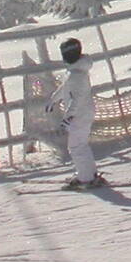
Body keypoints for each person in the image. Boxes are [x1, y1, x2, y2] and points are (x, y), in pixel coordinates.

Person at [45, 37, 104, 189]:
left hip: (79, 115)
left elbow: (76, 100)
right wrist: (54, 100)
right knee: (80, 145)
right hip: (82, 114)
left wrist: (68, 117)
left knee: (76, 146)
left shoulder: (76, 75)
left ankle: (85, 178)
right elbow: (65, 88)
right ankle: (90, 174)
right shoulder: (75, 72)